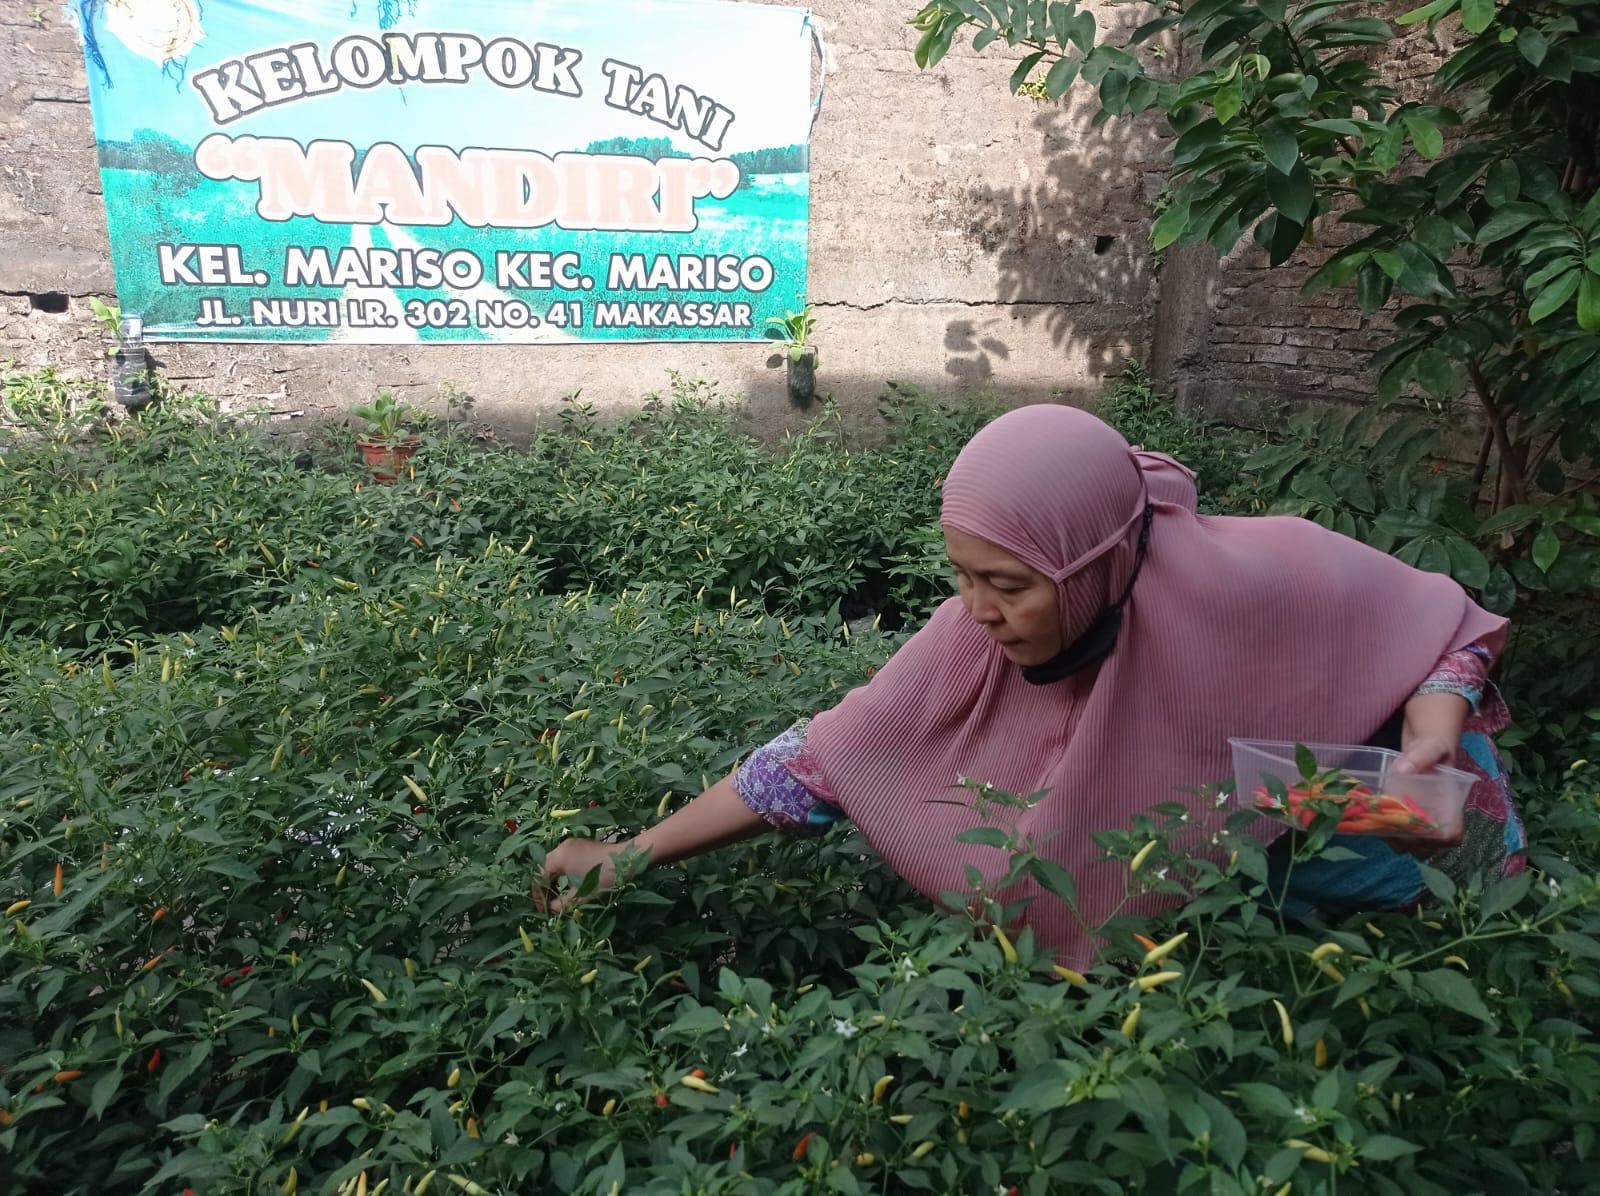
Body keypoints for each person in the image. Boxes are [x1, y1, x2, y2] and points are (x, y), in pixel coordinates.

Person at [535, 405, 1525, 968]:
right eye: (961, 574)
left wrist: (1434, 718)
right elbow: (829, 756)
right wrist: (632, 852)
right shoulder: (978, 622)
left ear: (1092, 562)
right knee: (1148, 820)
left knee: (1260, 805)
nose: (976, 609)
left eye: (1006, 584)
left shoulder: (1254, 575)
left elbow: (1438, 622)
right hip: (1233, 816)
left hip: (1414, 826)